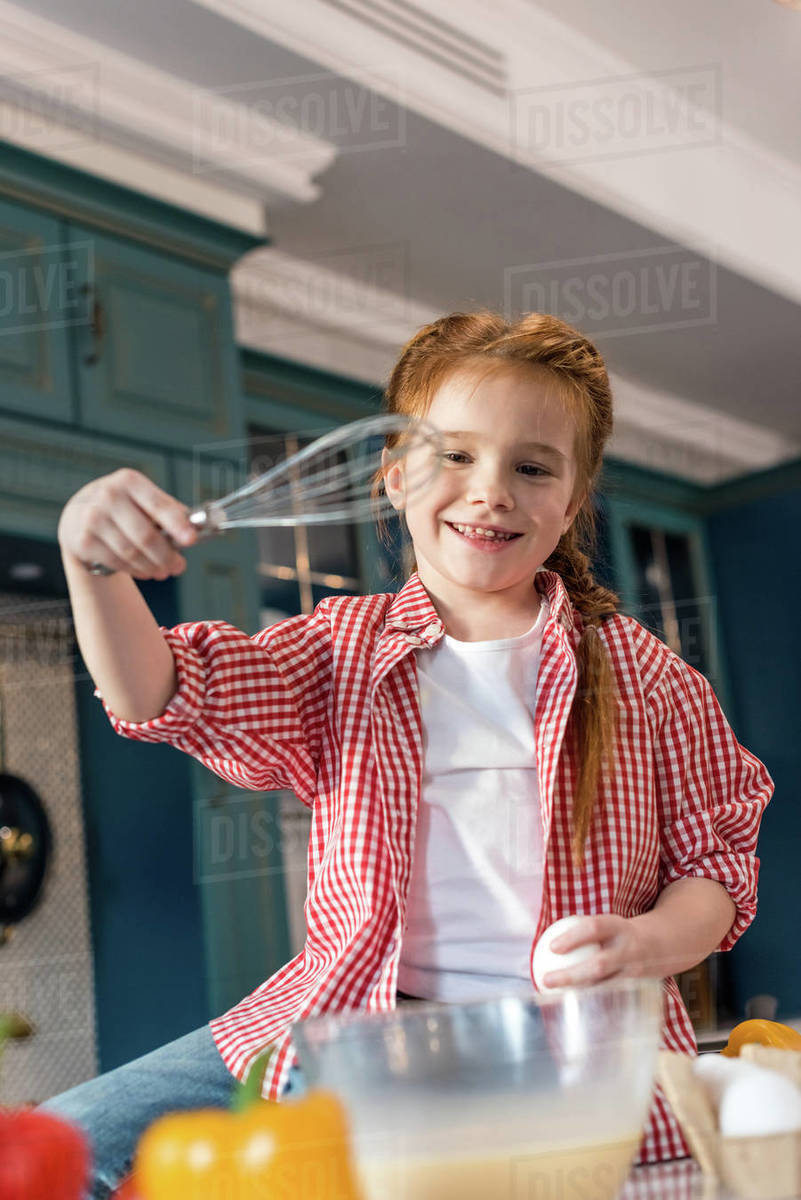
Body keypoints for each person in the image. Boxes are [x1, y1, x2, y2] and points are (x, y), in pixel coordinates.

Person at [50, 310, 773, 1195]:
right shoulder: (337, 651)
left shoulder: (646, 679)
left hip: (566, 1062)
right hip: (349, 1034)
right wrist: (95, 566)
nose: (491, 490)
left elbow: (715, 866)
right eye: (456, 456)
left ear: (571, 503)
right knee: (64, 1144)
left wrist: (652, 941)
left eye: (532, 466)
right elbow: (159, 691)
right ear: (393, 478)